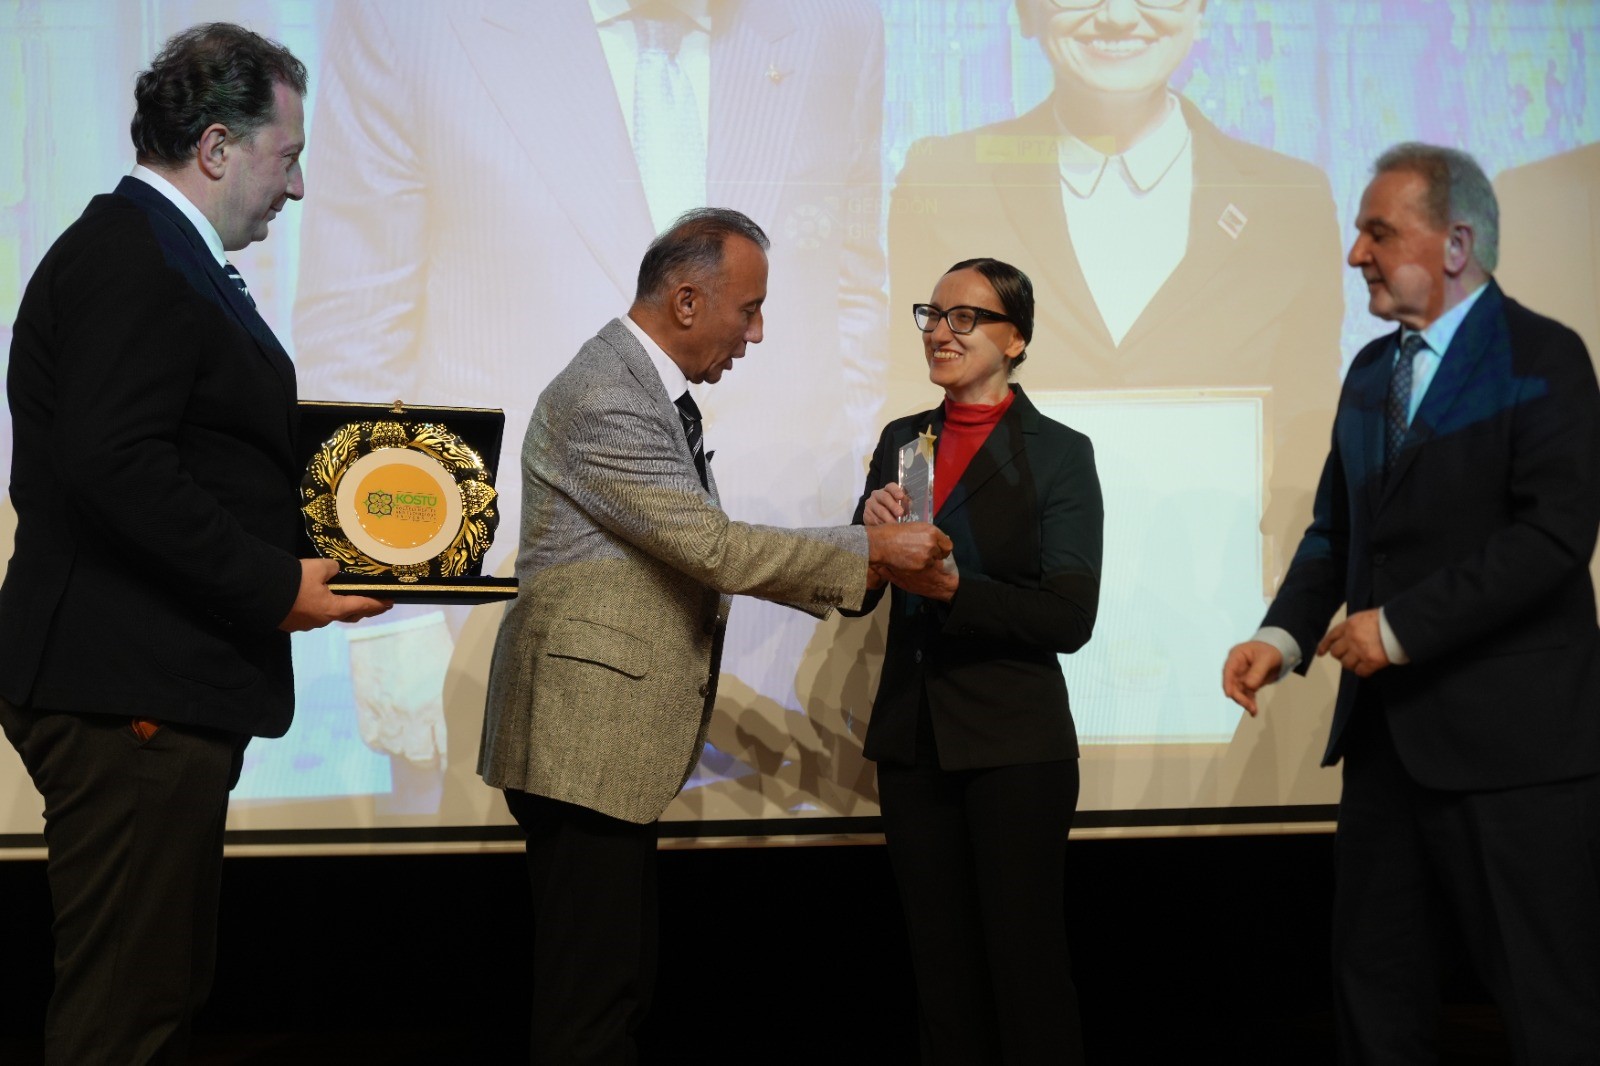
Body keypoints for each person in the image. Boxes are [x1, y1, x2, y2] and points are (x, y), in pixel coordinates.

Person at [291, 0, 889, 811]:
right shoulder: (411, 23)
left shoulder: (838, 22)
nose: (756, 334)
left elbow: (856, 298)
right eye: (746, 316)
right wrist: (394, 617)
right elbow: (360, 324)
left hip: (776, 650)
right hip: (517, 641)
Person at [0, 22, 391, 1065]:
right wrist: (273, 585)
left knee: (156, 994)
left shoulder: (160, 254)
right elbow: (116, 465)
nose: (296, 186)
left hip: (151, 689)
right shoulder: (134, 255)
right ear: (216, 147)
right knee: (127, 1015)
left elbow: (195, 460)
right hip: (129, 691)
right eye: (287, 155)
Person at [478, 208, 950, 1063]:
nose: (756, 333)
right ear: (688, 301)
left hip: (599, 748)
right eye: (750, 309)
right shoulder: (606, 395)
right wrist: (870, 551)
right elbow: (713, 549)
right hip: (582, 742)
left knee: (615, 987)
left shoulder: (640, 388)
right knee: (592, 1004)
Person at [1222, 143, 1600, 1062]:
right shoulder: (1368, 373)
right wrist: (1282, 635)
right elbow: (1338, 533)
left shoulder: (1544, 356)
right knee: (1375, 998)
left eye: (1378, 232)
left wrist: (1396, 630)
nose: (1356, 253)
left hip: (1514, 754)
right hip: (1386, 748)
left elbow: (1552, 538)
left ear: (1456, 244)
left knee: (1546, 1006)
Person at [890, 0, 1341, 579]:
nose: (1119, 16)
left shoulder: (1290, 198)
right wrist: (905, 542)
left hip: (1219, 576)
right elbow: (910, 396)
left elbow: (1307, 415)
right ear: (1027, 12)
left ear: (1202, 10)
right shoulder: (946, 179)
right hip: (987, 583)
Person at [844, 258, 1103, 1064]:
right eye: (933, 314)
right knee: (940, 976)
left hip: (1015, 745)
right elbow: (856, 596)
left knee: (1025, 968)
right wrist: (866, 540)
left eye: (965, 317)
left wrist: (959, 590)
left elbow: (1070, 616)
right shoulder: (902, 440)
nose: (939, 331)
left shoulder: (1058, 453)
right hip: (915, 740)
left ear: (1014, 339)